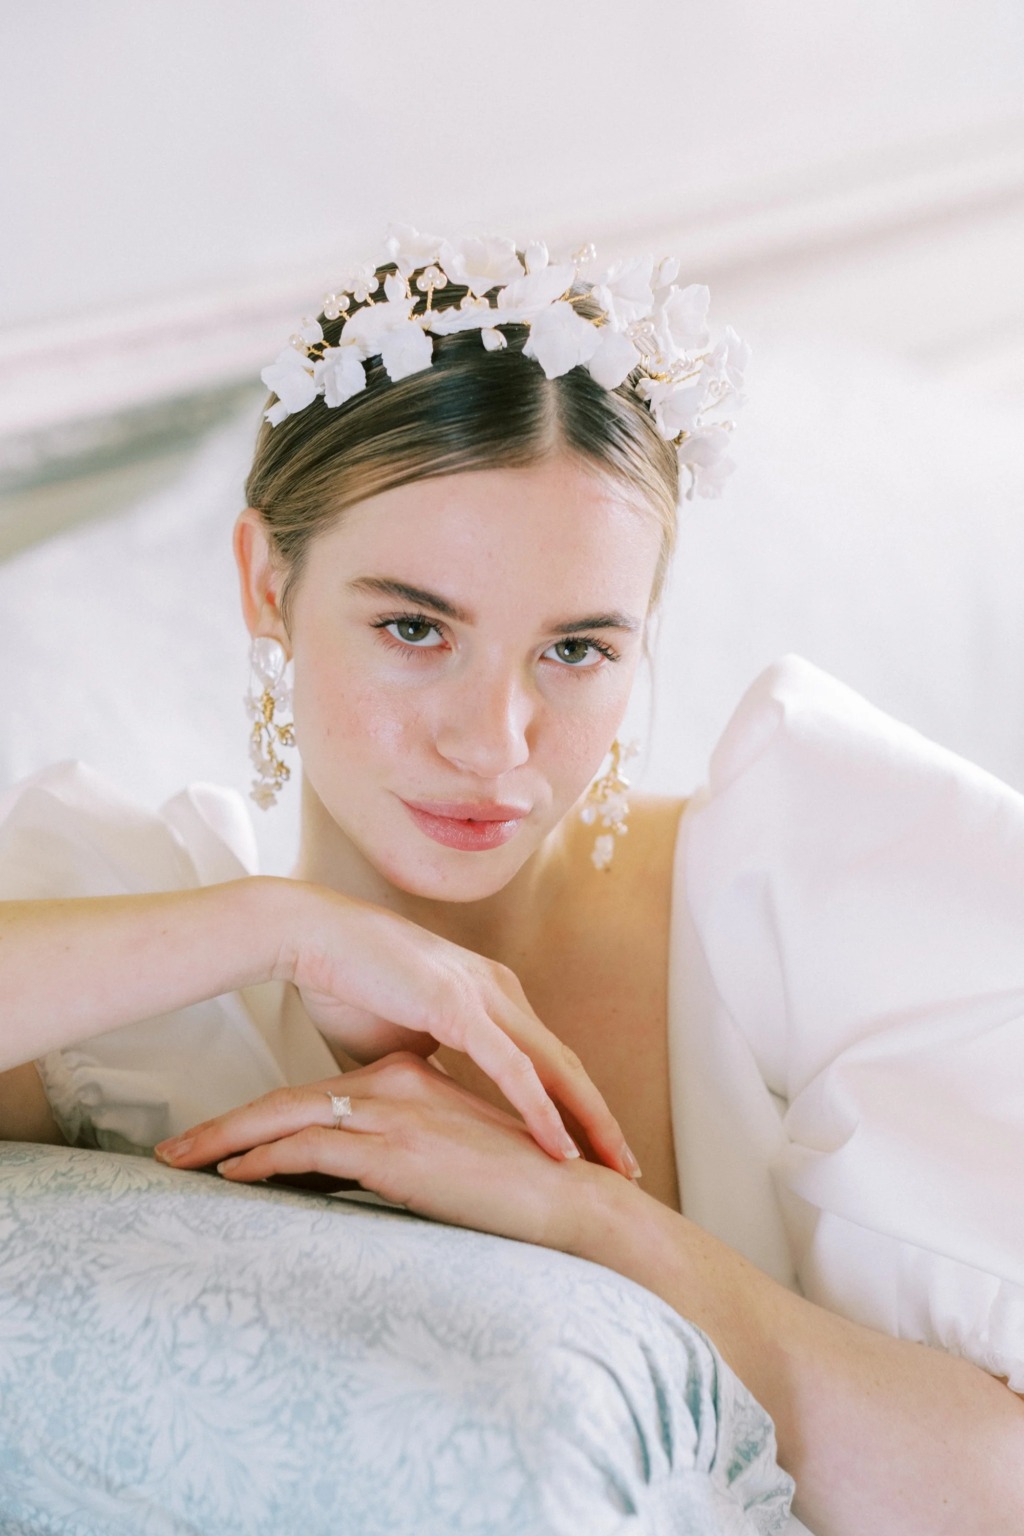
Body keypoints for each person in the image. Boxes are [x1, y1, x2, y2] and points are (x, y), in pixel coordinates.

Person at [0, 225, 1021, 1535]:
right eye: (414, 628)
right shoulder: (151, 977)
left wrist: (598, 1224)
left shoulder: (811, 887)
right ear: (267, 583)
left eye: (579, 650)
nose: (495, 743)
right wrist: (281, 927)